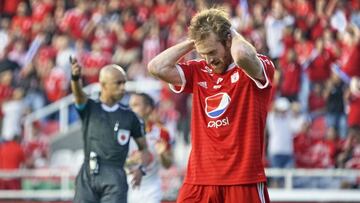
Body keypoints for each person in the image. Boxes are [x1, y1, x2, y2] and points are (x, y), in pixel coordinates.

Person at [148, 8, 275, 203]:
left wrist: (231, 32)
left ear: (228, 41)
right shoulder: (199, 70)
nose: (208, 59)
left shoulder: (254, 67)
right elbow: (156, 67)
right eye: (203, 53)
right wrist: (195, 41)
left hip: (242, 179)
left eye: (212, 52)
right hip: (199, 179)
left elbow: (241, 55)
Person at [70, 57, 151, 203]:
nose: (123, 87)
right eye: (118, 83)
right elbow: (78, 95)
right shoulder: (90, 108)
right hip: (88, 174)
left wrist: (141, 168)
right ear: (103, 85)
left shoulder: (130, 117)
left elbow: (144, 148)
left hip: (115, 175)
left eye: (124, 82)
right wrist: (75, 79)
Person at [127, 92, 173, 203]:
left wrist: (162, 154)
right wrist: (132, 161)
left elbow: (168, 165)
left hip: (152, 189)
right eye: (130, 106)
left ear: (148, 109)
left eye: (135, 105)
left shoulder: (162, 132)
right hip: (128, 187)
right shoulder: (123, 131)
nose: (130, 109)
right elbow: (114, 162)